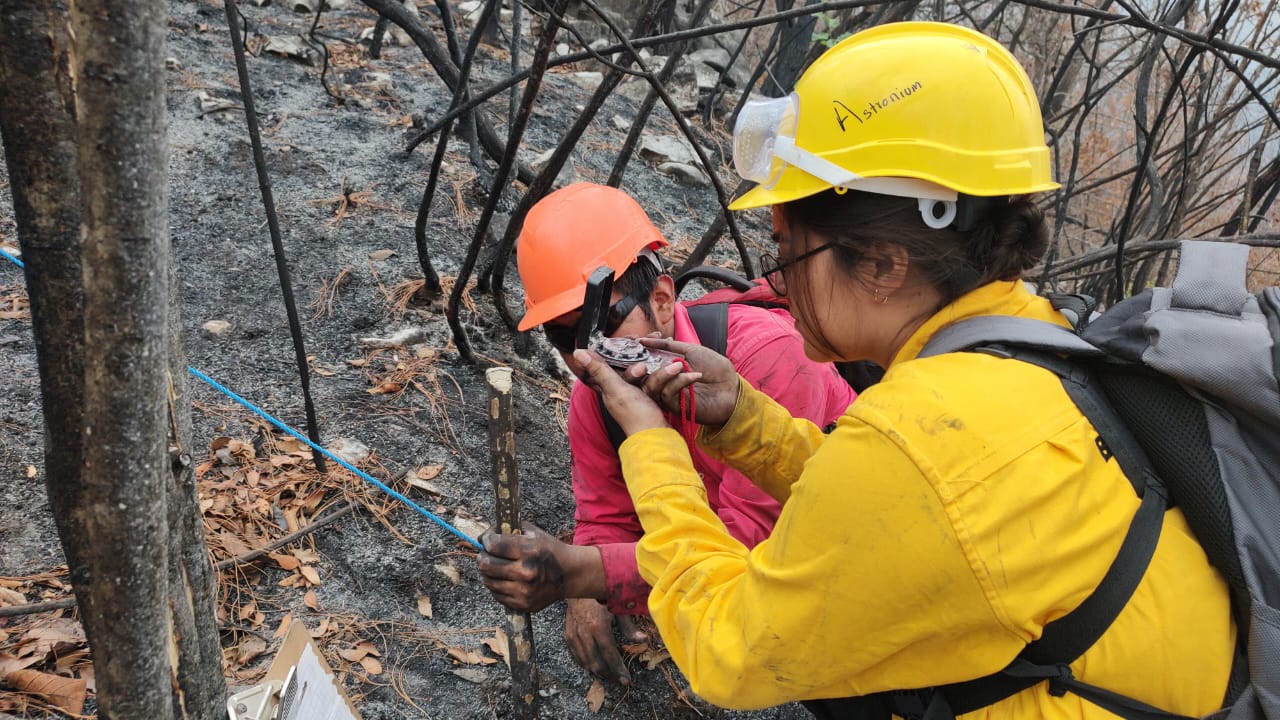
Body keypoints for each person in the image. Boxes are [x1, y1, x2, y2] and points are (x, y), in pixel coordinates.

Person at [569, 22, 1235, 720]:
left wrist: (652, 442)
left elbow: (731, 651)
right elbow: (905, 507)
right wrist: (741, 417)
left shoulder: (918, 436)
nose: (777, 284)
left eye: (787, 255)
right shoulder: (1034, 345)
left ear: (885, 264)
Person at [477, 182, 855, 686]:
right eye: (564, 337)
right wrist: (588, 596)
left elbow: (746, 557)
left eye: (599, 324)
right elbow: (605, 513)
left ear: (661, 299)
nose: (585, 354)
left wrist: (583, 574)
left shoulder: (769, 357)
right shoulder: (594, 392)